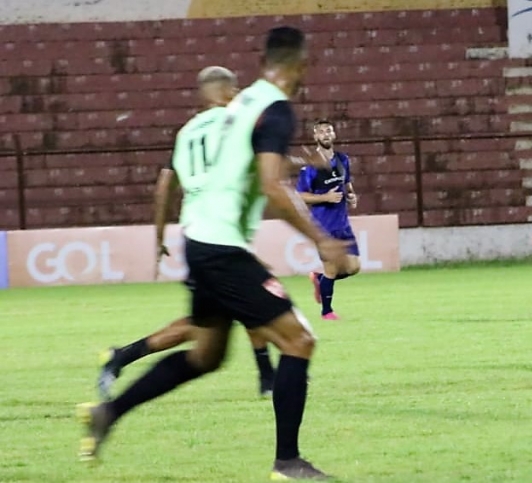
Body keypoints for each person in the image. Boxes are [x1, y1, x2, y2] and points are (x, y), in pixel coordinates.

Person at [77, 26, 349, 481]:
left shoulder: (241, 106)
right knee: (299, 340)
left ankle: (109, 411)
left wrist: (300, 166)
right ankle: (288, 462)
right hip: (222, 247)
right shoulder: (276, 109)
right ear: (300, 65)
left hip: (200, 240)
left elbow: (252, 166)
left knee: (205, 354)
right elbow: (270, 187)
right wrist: (318, 238)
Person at [96, 66, 276, 403]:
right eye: (234, 89)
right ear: (225, 91)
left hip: (194, 233)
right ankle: (268, 377)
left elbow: (164, 186)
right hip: (221, 233)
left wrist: (160, 236)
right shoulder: (236, 123)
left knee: (206, 324)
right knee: (256, 298)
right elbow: (268, 163)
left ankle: (121, 356)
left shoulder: (187, 132)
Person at [296, 119, 361, 320]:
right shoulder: (310, 166)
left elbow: (347, 183)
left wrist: (351, 196)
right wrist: (326, 197)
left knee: (353, 267)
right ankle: (327, 311)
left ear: (334, 135)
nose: (325, 134)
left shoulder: (343, 159)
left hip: (342, 224)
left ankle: (318, 279)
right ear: (315, 137)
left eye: (328, 131)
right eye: (321, 131)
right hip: (322, 225)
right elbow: (301, 195)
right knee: (331, 268)